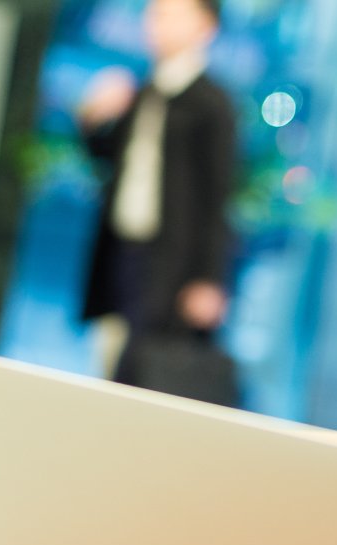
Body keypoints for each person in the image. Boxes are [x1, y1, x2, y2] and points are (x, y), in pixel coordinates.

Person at [76, 0, 239, 407]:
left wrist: (209, 278)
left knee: (146, 375)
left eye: (171, 14)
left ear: (205, 26)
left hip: (171, 262)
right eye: (153, 13)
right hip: (123, 247)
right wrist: (92, 117)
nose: (156, 24)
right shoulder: (142, 91)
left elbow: (218, 196)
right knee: (113, 360)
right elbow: (109, 161)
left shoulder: (212, 104)